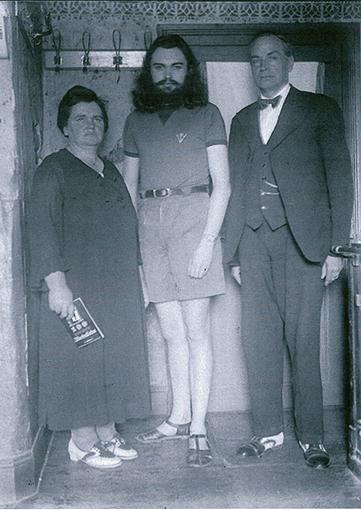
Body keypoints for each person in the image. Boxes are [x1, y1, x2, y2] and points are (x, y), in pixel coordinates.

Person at [222, 33, 353, 469]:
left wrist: (335, 247)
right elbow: (236, 186)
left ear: (290, 62)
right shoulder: (241, 120)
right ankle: (266, 432)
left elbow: (340, 178)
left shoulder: (320, 109)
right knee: (257, 342)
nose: (263, 66)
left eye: (272, 57)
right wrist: (235, 252)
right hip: (253, 243)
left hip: (305, 244)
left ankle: (313, 438)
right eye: (256, 59)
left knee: (303, 342)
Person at [28, 86, 151, 470]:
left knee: (110, 357)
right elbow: (42, 229)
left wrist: (139, 277)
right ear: (65, 126)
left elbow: (128, 226)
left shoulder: (109, 169)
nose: (90, 125)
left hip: (114, 285)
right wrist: (56, 284)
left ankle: (106, 431)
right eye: (80, 118)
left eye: (97, 119)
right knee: (80, 359)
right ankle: (82, 441)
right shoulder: (53, 169)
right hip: (74, 286)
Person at [122, 34, 230, 467]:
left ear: (189, 71)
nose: (168, 75)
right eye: (160, 67)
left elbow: (222, 184)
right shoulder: (135, 121)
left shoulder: (207, 115)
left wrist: (207, 243)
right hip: (152, 230)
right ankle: (177, 415)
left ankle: (199, 426)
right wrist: (137, 247)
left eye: (177, 67)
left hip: (194, 227)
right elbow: (129, 187)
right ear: (150, 72)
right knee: (169, 333)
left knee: (195, 331)